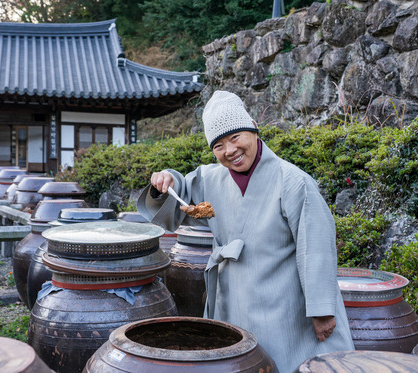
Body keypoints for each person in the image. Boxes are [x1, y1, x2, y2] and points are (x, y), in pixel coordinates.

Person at [137, 90, 354, 372]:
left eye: (235, 137)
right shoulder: (210, 180)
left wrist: (322, 310)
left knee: (289, 362)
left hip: (283, 302)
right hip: (233, 299)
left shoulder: (293, 182)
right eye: (218, 145)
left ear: (253, 128)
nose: (229, 150)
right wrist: (165, 182)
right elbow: (181, 202)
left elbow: (316, 249)